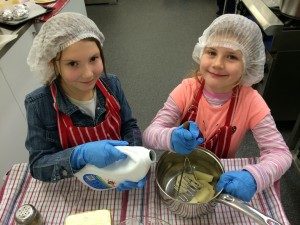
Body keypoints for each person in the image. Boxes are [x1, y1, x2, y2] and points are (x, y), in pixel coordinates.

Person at [143, 14, 292, 202]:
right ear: (201, 52)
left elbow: (280, 153)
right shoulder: (186, 90)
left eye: (231, 56)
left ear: (248, 65)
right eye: (212, 52)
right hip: (179, 169)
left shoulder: (251, 102)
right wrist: (170, 137)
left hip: (221, 177)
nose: (217, 64)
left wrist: (255, 177)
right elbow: (149, 134)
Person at [25, 12, 145, 191]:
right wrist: (78, 156)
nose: (89, 74)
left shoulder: (111, 84)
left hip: (116, 173)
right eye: (73, 63)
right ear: (53, 64)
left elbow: (129, 126)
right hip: (75, 185)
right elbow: (38, 166)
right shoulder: (39, 104)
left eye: (93, 59)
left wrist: (133, 162)